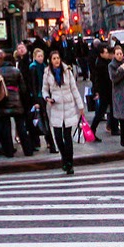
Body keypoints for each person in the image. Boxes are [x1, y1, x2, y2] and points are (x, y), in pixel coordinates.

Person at [43, 47, 87, 176]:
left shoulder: (67, 71)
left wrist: (80, 106)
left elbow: (74, 89)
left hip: (68, 106)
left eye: (58, 58)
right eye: (54, 59)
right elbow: (44, 89)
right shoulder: (47, 73)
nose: (56, 61)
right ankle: (64, 158)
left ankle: (69, 163)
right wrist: (47, 98)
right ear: (50, 60)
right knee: (58, 137)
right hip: (55, 107)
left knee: (67, 137)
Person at [89, 41, 112, 141]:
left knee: (113, 110)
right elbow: (98, 79)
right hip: (105, 91)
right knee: (100, 112)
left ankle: (118, 128)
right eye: (106, 53)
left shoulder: (104, 62)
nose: (107, 54)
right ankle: (92, 129)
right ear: (101, 54)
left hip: (107, 91)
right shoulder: (101, 64)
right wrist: (96, 91)